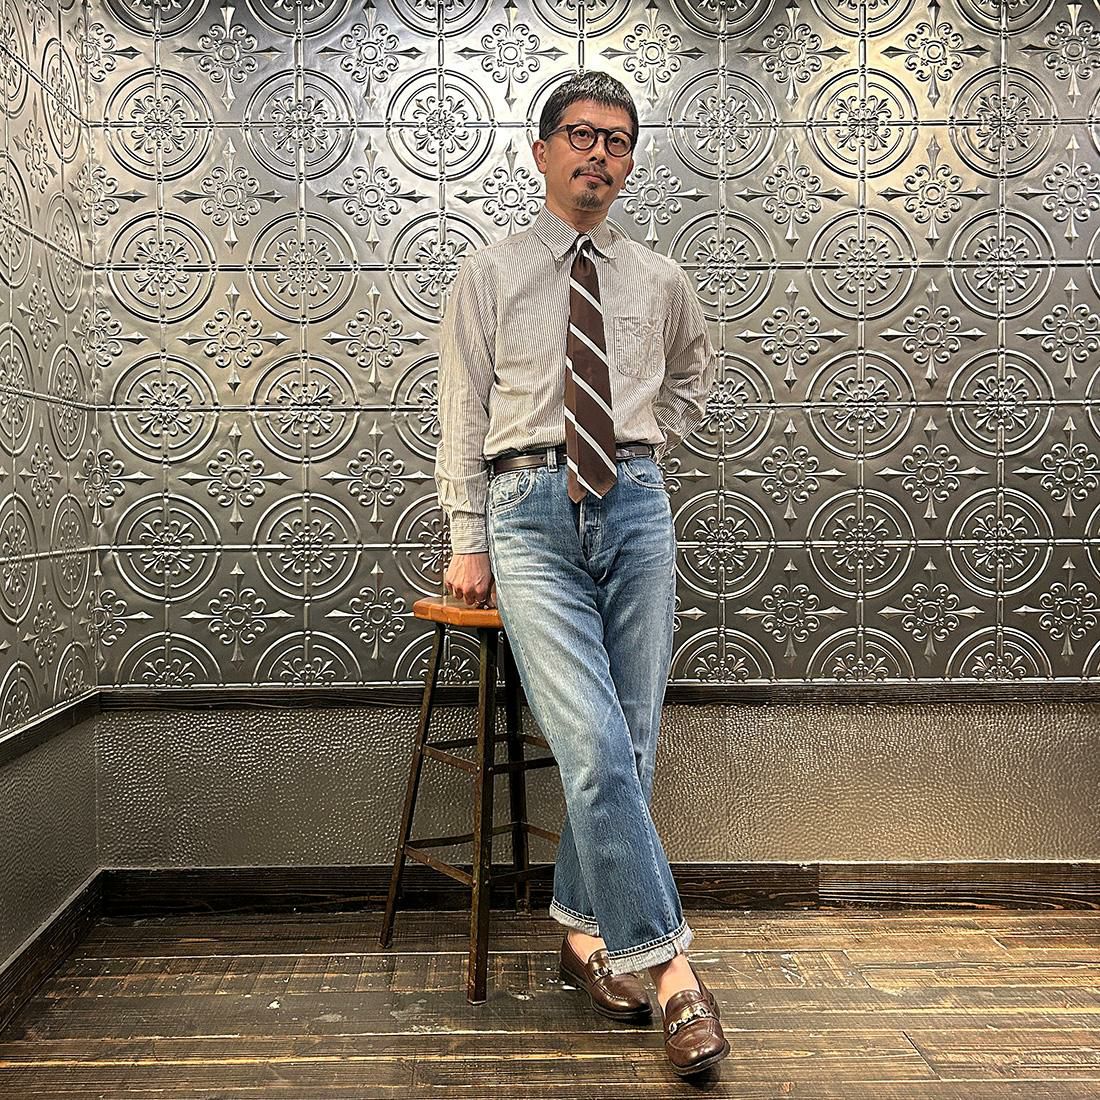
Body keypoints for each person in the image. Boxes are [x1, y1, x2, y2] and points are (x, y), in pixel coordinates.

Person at [434, 70, 724, 1077]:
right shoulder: (490, 271)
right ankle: (674, 971)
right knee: (596, 746)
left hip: (634, 505)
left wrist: (644, 444)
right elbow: (462, 407)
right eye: (580, 134)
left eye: (617, 140)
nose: (598, 152)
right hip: (527, 512)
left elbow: (692, 377)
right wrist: (468, 535)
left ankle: (582, 932)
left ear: (630, 162)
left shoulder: (659, 278)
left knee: (629, 744)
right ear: (542, 150)